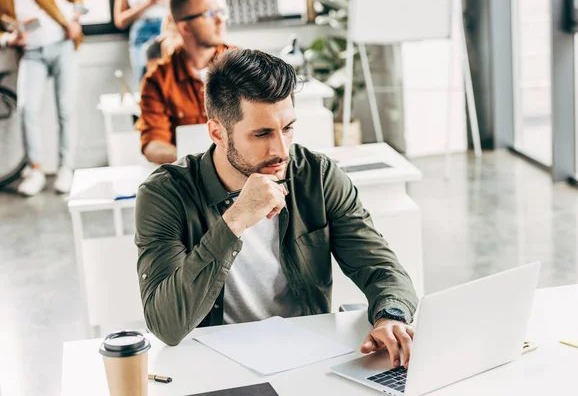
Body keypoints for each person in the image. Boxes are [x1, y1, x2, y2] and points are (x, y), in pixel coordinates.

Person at [135, 49, 419, 369]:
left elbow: (381, 266)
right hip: (214, 366)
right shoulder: (166, 194)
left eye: (288, 128)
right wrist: (235, 221)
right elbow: (166, 326)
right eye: (262, 134)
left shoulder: (317, 175)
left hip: (307, 360)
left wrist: (390, 316)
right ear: (217, 132)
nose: (281, 150)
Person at [0, 0, 85, 196]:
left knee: (66, 108)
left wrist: (75, 21)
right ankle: (35, 171)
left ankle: (66, 168)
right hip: (31, 53)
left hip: (62, 45)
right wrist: (8, 39)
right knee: (27, 110)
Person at [136, 0, 230, 165]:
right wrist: (203, 161)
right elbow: (153, 145)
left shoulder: (243, 65)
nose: (219, 20)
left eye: (220, 12)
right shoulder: (157, 80)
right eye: (208, 14)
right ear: (185, 26)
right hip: (191, 178)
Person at [114, 0, 169, 83]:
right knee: (145, 79)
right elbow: (120, 21)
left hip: (166, 27)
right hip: (141, 30)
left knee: (169, 77)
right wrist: (148, 3)